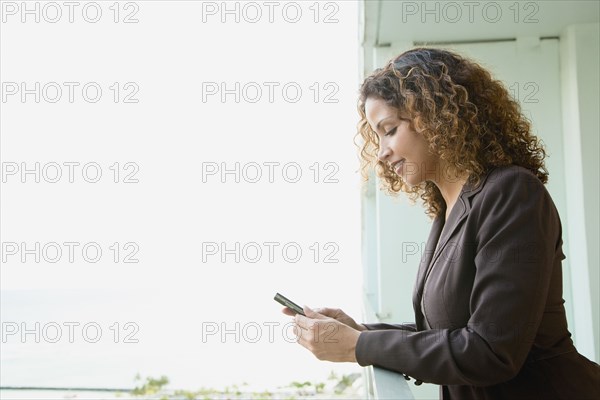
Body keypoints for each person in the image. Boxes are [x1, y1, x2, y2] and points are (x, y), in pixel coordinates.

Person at [282, 48, 600, 399]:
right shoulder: (445, 213)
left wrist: (360, 346)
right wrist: (361, 332)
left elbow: (490, 351)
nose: (382, 153)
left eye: (389, 130)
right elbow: (447, 331)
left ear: (432, 115)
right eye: (376, 138)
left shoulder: (513, 193)